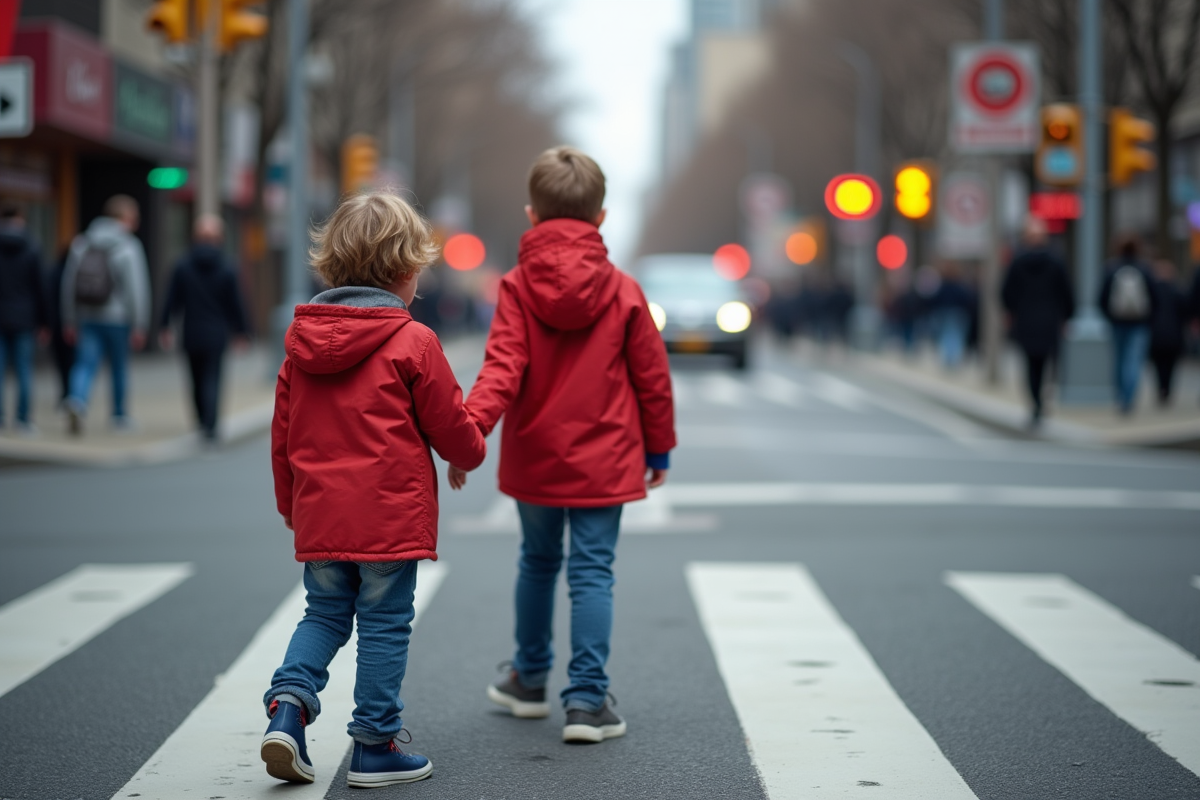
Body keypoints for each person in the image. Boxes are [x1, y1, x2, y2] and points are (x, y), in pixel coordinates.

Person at [263, 192, 485, 788]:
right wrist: (468, 456)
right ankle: (374, 743)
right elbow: (449, 424)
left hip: (322, 516)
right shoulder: (414, 343)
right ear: (406, 271)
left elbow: (283, 437)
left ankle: (288, 704)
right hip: (389, 518)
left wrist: (292, 506)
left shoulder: (297, 349)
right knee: (384, 623)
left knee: (325, 613)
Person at [458, 146, 676, 744]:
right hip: (605, 457)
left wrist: (471, 429)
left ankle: (528, 680)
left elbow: (501, 368)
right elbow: (651, 378)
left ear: (532, 215)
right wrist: (658, 450)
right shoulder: (625, 292)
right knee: (592, 572)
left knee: (536, 562)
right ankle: (585, 701)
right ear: (601, 218)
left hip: (535, 453)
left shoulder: (516, 288)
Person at [61, 195, 151, 435]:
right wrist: (140, 323)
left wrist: (69, 319)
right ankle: (119, 415)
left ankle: (77, 399)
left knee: (84, 363)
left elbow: (69, 284)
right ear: (125, 217)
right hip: (118, 318)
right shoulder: (128, 245)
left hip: (87, 315)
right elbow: (136, 288)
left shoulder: (82, 242)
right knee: (119, 367)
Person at [158, 214, 250, 441]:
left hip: (191, 331)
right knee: (213, 378)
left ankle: (200, 421)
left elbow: (171, 299)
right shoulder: (228, 267)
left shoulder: (182, 265)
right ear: (220, 238)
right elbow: (237, 302)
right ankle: (211, 426)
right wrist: (242, 331)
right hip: (217, 332)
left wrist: (164, 326)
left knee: (195, 378)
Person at [1001, 218, 1076, 427]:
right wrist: (1067, 316)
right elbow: (1067, 292)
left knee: (1030, 366)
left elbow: (1006, 293)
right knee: (1046, 364)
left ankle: (1035, 402)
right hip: (1049, 320)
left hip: (1026, 321)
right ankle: (1042, 399)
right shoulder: (1056, 261)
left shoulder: (1017, 262)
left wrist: (1012, 312)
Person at [0, 206, 48, 434]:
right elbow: (41, 288)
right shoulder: (32, 247)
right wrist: (45, 321)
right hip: (24, 318)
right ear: (20, 219)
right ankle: (23, 419)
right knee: (24, 371)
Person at [1098, 236, 1157, 415]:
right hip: (1139, 323)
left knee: (1119, 360)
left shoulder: (1112, 268)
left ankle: (1120, 397)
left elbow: (1102, 297)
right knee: (1133, 361)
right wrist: (1149, 318)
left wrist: (1109, 316)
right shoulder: (1144, 268)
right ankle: (1129, 400)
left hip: (1117, 322)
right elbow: (1155, 297)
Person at [1147, 259, 1189, 407]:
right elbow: (1186, 312)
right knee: (1171, 366)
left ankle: (1161, 390)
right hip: (1174, 335)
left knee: (1159, 366)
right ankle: (1167, 391)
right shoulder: (1177, 291)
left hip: (1156, 335)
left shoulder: (1152, 292)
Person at [933, 262, 975, 369]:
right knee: (956, 336)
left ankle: (949, 358)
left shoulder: (943, 286)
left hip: (946, 312)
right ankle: (953, 358)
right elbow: (966, 299)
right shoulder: (959, 286)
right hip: (957, 313)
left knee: (947, 335)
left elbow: (936, 299)